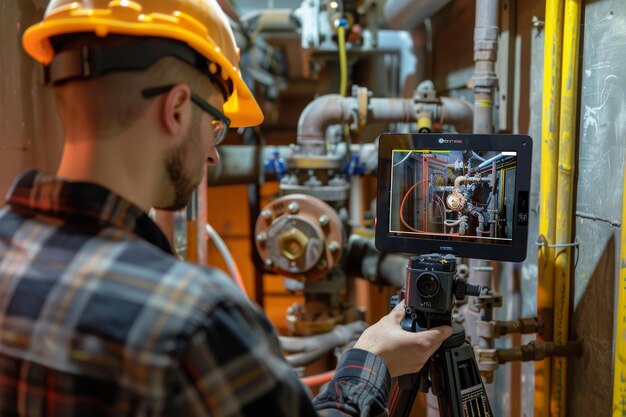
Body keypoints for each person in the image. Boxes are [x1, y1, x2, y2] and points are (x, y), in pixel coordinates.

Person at [0, 1, 452, 416]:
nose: (215, 155)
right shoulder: (197, 321)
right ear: (176, 108)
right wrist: (369, 359)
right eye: (216, 124)